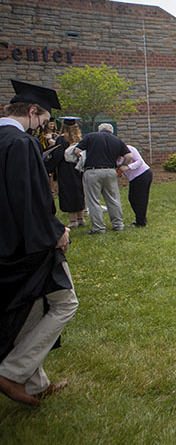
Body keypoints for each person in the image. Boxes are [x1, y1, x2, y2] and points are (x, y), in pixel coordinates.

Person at [0, 80, 76, 406]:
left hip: (5, 245)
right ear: (33, 112)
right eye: (43, 120)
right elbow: (30, 199)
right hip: (28, 245)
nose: (43, 127)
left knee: (29, 309)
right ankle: (12, 372)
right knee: (65, 302)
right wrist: (57, 232)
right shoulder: (19, 144)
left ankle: (34, 383)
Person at [74, 123, 131, 234]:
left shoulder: (91, 136)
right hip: (110, 171)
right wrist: (122, 165)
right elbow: (129, 156)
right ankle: (118, 224)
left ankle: (99, 228)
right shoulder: (117, 140)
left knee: (94, 200)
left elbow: (77, 151)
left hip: (92, 171)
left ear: (99, 130)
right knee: (113, 199)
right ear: (111, 130)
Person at [43, 117, 86, 228]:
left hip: (66, 169)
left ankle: (73, 221)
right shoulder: (80, 138)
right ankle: (81, 218)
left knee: (68, 191)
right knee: (80, 190)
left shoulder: (62, 139)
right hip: (79, 167)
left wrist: (47, 166)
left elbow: (57, 155)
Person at [118, 144, 152, 227]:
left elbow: (139, 161)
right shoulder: (114, 156)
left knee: (140, 199)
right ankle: (140, 219)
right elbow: (120, 170)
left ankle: (141, 222)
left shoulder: (129, 149)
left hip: (143, 174)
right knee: (132, 198)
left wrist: (128, 167)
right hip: (133, 179)